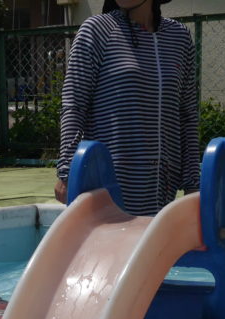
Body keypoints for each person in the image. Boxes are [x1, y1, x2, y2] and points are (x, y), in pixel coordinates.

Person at [54, 0, 200, 215]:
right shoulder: (97, 30)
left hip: (162, 189)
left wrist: (192, 182)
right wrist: (66, 170)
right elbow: (74, 104)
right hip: (107, 184)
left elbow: (187, 115)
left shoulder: (179, 37)